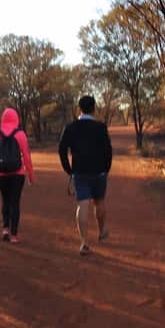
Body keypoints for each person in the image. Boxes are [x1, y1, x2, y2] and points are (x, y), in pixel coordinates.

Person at [58, 95, 113, 256]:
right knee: (99, 202)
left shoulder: (71, 127)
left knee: (82, 204)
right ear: (94, 108)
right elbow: (108, 150)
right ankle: (102, 231)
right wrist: (106, 168)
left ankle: (84, 243)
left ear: (79, 109)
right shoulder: (101, 127)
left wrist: (69, 169)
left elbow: (61, 149)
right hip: (99, 172)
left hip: (80, 172)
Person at [0, 108, 34, 244]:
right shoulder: (20, 134)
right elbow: (26, 157)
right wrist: (30, 175)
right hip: (17, 174)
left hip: (2, 174)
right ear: (16, 119)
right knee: (15, 203)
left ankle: (5, 229)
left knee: (5, 201)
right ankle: (14, 235)